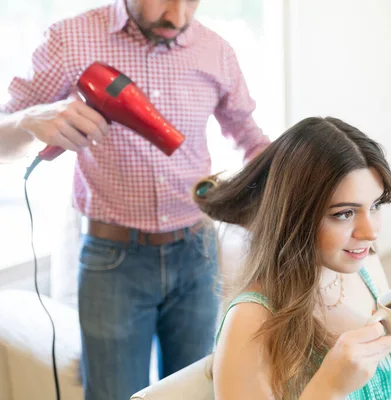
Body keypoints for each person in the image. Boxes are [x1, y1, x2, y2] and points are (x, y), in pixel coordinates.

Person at [0, 0, 270, 398]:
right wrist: (31, 119)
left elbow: (251, 140)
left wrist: (300, 181)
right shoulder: (70, 39)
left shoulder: (216, 51)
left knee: (194, 390)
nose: (176, 18)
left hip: (198, 253)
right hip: (113, 262)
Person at [194, 116, 391, 399]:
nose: (370, 232)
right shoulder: (249, 321)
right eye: (344, 213)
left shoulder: (366, 268)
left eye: (375, 205)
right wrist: (329, 387)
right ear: (294, 216)